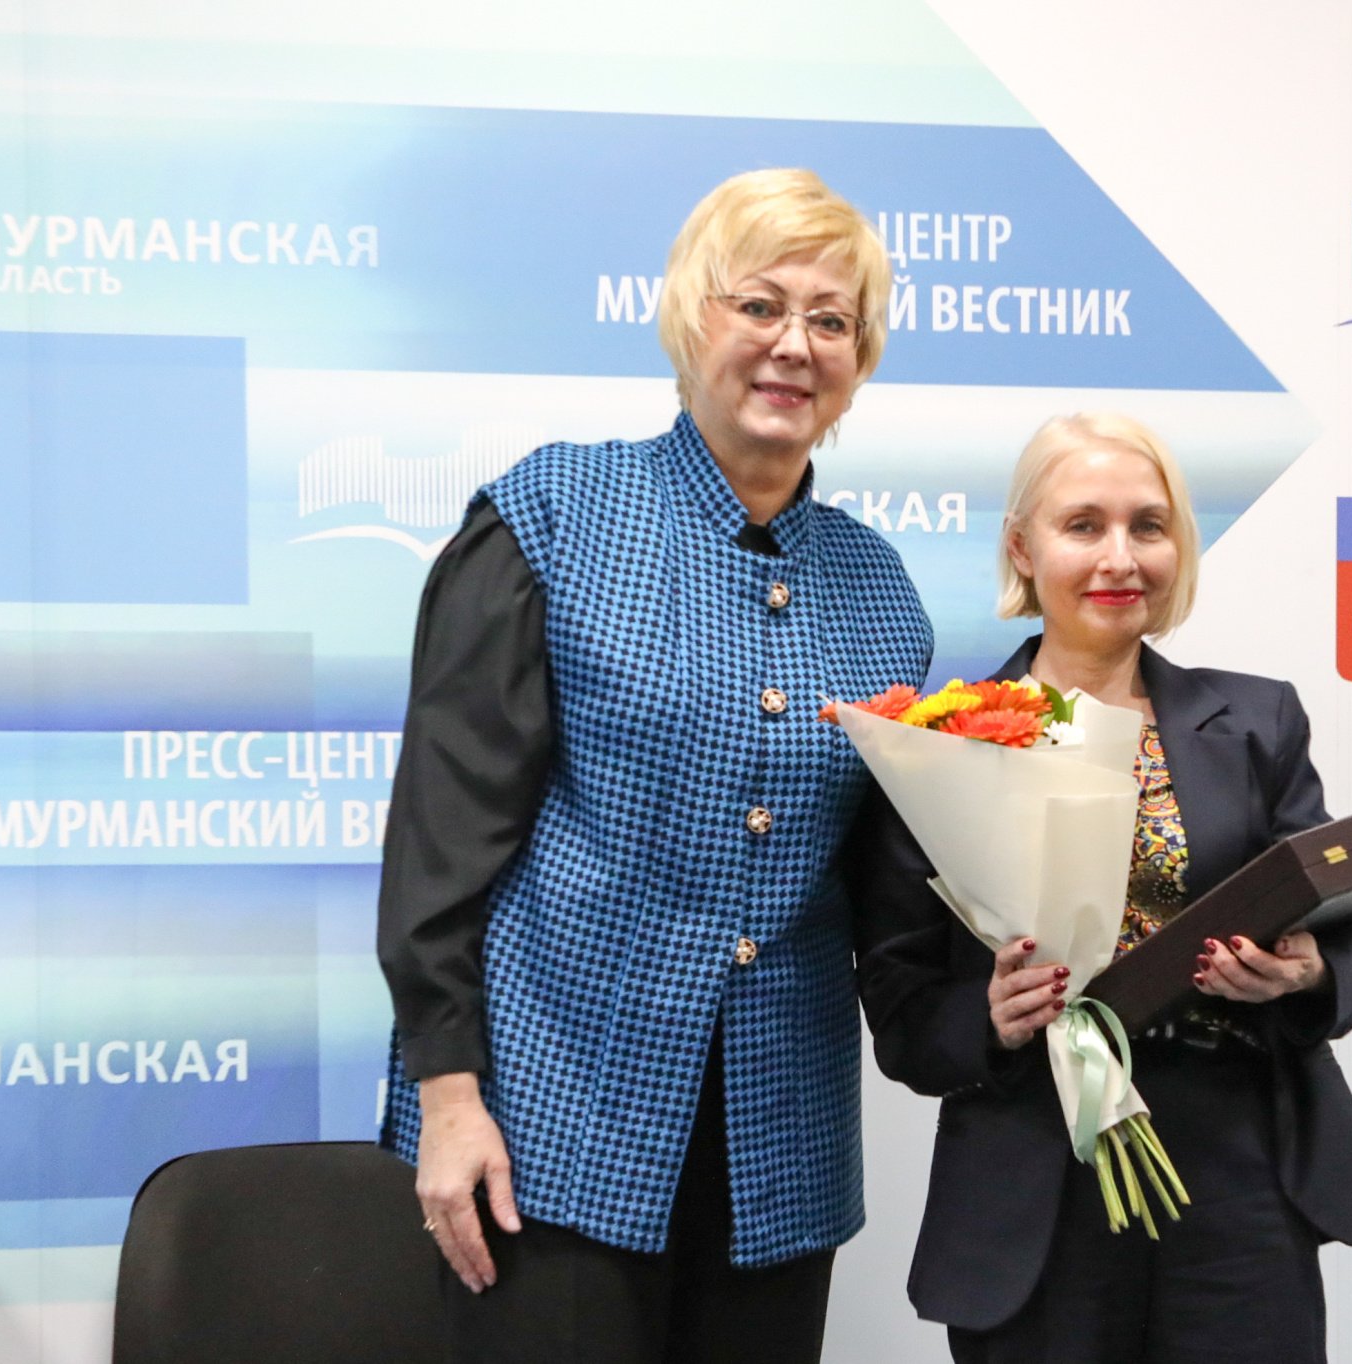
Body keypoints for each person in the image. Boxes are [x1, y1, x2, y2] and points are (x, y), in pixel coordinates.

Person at [375, 167, 932, 1364]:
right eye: (759, 305)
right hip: (547, 1125)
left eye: (830, 320)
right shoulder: (552, 513)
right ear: (690, 321)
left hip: (777, 1150)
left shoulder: (882, 592)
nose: (793, 344)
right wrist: (447, 1093)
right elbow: (442, 838)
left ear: (859, 361)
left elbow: (882, 887)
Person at [847, 413, 1352, 1363]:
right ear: (1022, 548)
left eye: (1148, 526)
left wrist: (1306, 970)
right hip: (1035, 1189)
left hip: (1240, 1182)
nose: (1121, 557)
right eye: (1084, 525)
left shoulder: (1258, 720)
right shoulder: (937, 744)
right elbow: (902, 1009)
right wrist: (992, 1018)